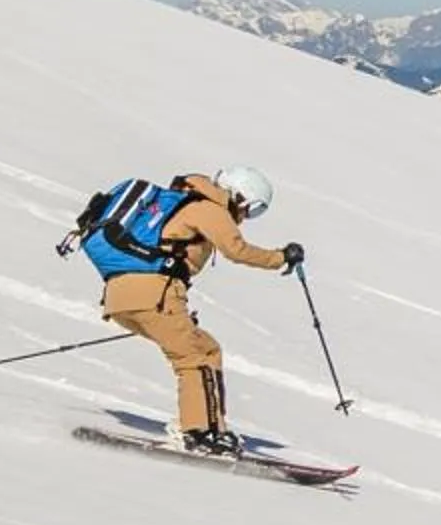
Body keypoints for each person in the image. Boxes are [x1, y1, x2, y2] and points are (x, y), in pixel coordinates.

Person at [61, 166, 304, 454]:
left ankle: (209, 428)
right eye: (252, 210)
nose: (246, 217)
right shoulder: (209, 208)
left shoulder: (176, 202)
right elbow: (236, 250)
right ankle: (198, 433)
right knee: (193, 357)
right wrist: (281, 258)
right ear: (240, 195)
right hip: (155, 293)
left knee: (208, 348)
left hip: (121, 296)